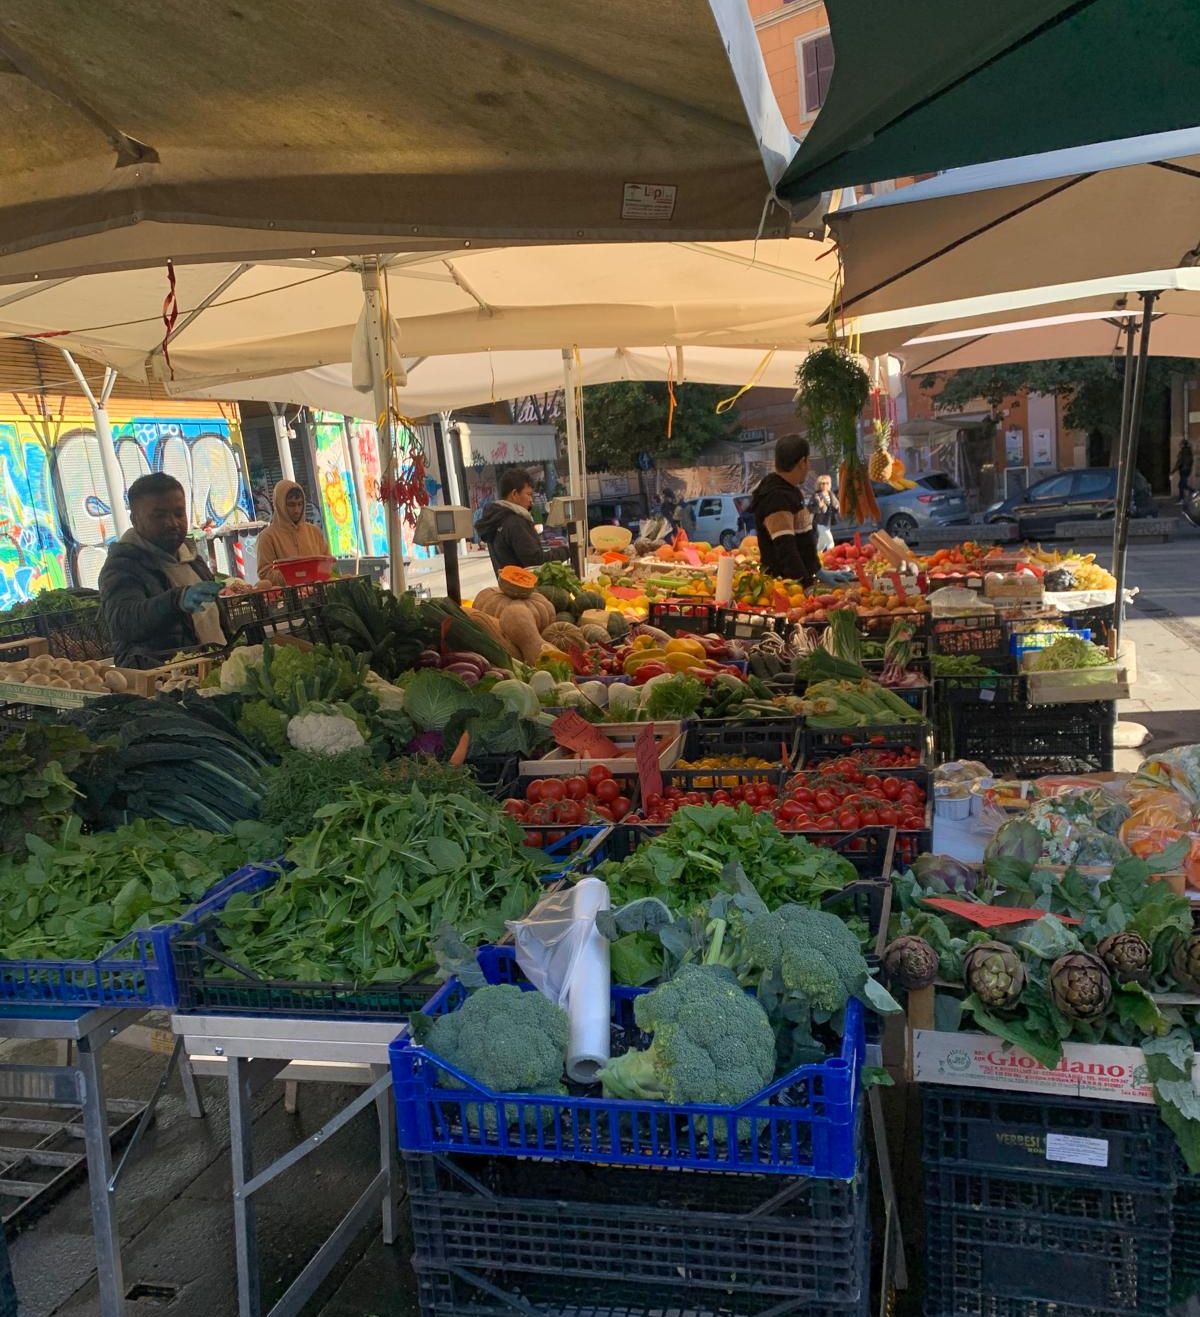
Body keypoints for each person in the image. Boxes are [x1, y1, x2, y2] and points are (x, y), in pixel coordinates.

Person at [98, 473, 225, 669]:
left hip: (213, 673)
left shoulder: (192, 558)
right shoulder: (122, 565)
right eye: (160, 516)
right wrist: (176, 600)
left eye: (179, 513)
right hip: (163, 684)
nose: (173, 523)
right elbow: (123, 620)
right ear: (135, 520)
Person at [749, 434, 851, 587]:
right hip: (784, 587)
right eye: (808, 460)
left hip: (795, 583)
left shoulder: (789, 492)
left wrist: (817, 570)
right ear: (802, 462)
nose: (809, 466)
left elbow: (803, 541)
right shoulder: (777, 498)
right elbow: (786, 550)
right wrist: (806, 586)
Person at [254, 478, 331, 584]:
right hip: (287, 598)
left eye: (300, 504)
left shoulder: (314, 532)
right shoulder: (267, 537)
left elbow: (328, 564)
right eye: (291, 505)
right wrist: (296, 575)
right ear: (279, 505)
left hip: (319, 594)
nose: (296, 510)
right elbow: (265, 573)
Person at [476, 467, 545, 574]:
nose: (531, 500)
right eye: (528, 494)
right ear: (514, 494)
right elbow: (535, 560)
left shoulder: (496, 519)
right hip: (525, 586)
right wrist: (564, 551)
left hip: (509, 586)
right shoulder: (515, 523)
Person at [809, 473, 840, 554]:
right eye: (823, 483)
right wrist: (819, 507)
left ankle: (816, 557)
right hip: (820, 522)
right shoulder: (816, 495)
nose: (825, 485)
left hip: (828, 521)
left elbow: (835, 505)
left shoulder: (831, 494)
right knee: (830, 542)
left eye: (827, 483)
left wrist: (838, 507)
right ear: (819, 484)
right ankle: (831, 557)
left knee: (821, 544)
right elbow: (810, 508)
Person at [1173, 439, 1194, 504]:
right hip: (1187, 470)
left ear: (1182, 445)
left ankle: (1193, 492)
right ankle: (1191, 493)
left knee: (1182, 485)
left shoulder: (1182, 452)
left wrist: (1173, 471)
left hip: (1183, 470)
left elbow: (1179, 462)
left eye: (1180, 444)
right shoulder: (1189, 452)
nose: (1179, 445)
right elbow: (1191, 462)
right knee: (1182, 485)